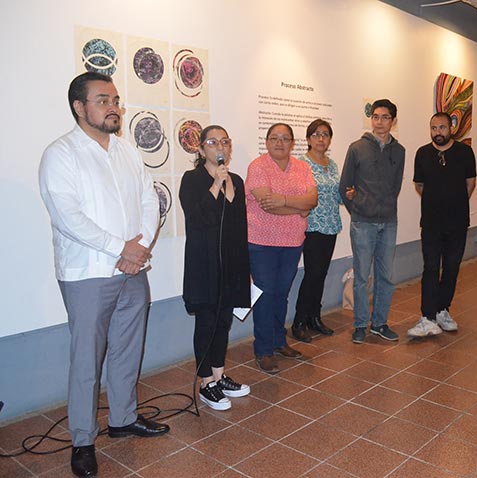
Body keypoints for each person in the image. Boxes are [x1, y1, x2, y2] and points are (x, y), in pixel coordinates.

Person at [38, 72, 169, 478]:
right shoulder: (60, 154)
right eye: (103, 100)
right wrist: (121, 248)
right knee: (87, 360)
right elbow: (67, 216)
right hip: (88, 273)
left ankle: (123, 418)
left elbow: (149, 200)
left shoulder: (127, 151)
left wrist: (138, 248)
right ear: (79, 107)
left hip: (133, 268)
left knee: (128, 348)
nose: (114, 107)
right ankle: (82, 440)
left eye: (115, 100)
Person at [179, 125, 252, 411]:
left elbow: (239, 226)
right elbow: (197, 218)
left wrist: (244, 267)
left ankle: (220, 376)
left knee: (223, 321)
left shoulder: (237, 181)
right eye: (212, 142)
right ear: (200, 149)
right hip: (204, 263)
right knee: (206, 322)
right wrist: (215, 185)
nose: (220, 147)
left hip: (230, 262)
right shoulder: (192, 179)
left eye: (224, 142)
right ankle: (206, 382)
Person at [246, 123, 317, 374]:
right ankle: (263, 350)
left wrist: (285, 200)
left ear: (292, 143)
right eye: (274, 138)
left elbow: (313, 199)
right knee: (265, 294)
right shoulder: (258, 167)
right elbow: (267, 204)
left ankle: (279, 341)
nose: (279, 143)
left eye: (285, 138)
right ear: (266, 142)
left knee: (281, 293)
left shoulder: (302, 167)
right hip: (261, 242)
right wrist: (299, 208)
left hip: (292, 241)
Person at [339, 99, 405, 344]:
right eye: (375, 117)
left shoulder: (399, 151)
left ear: (393, 121)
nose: (379, 122)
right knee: (361, 277)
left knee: (385, 276)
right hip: (363, 223)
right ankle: (360, 324)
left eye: (385, 117)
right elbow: (344, 185)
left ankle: (379, 323)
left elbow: (395, 186)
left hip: (389, 222)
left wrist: (383, 207)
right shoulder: (357, 148)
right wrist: (358, 209)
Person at [407, 112, 476, 338]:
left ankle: (442, 311)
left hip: (457, 222)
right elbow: (420, 185)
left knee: (452, 267)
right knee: (430, 267)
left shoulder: (465, 152)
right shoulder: (423, 153)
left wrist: (453, 203)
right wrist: (436, 202)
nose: (438, 132)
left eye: (442, 127)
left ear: (451, 128)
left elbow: (470, 183)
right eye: (434, 128)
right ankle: (427, 317)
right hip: (431, 223)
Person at [291, 119, 342, 342]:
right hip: (311, 226)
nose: (321, 139)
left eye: (325, 134)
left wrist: (348, 194)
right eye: (316, 134)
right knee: (312, 274)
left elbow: (336, 196)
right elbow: (298, 194)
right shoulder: (301, 164)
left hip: (330, 225)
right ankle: (299, 321)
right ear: (308, 139)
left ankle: (314, 317)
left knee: (321, 274)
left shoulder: (332, 164)